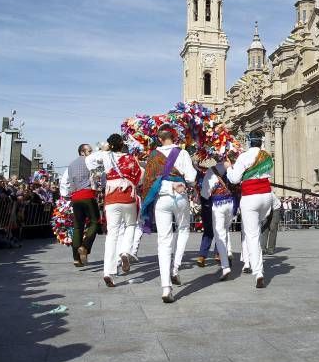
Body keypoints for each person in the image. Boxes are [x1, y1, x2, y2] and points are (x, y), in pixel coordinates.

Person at [138, 125, 196, 303]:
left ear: (160, 139)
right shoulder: (183, 153)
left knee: (163, 241)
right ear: (173, 137)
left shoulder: (154, 156)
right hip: (179, 196)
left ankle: (165, 288)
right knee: (184, 229)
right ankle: (176, 268)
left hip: (161, 199)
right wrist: (186, 183)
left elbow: (147, 179)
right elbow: (191, 177)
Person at [86, 134, 143, 288]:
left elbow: (89, 161)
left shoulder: (106, 156)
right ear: (122, 145)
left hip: (111, 197)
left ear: (110, 145)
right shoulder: (131, 158)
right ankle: (125, 251)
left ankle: (108, 272)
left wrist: (104, 150)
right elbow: (140, 176)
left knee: (112, 235)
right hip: (128, 197)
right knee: (131, 225)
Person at [226, 129, 274, 289]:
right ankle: (253, 261)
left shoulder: (244, 156)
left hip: (250, 197)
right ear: (261, 141)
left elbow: (234, 179)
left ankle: (258, 272)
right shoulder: (267, 156)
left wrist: (228, 168)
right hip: (267, 197)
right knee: (257, 229)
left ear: (248, 141)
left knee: (252, 235)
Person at [201, 157, 236, 280]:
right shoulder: (232, 167)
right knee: (226, 230)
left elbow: (205, 193)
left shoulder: (211, 171)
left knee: (219, 234)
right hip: (230, 203)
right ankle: (229, 251)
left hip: (218, 204)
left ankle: (225, 266)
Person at [65, 144, 100, 267]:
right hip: (87, 195)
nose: (91, 153)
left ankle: (76, 258)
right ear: (82, 152)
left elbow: (69, 182)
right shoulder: (90, 162)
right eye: (89, 151)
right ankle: (85, 247)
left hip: (75, 197)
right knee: (95, 222)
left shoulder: (71, 164)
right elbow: (96, 178)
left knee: (78, 227)